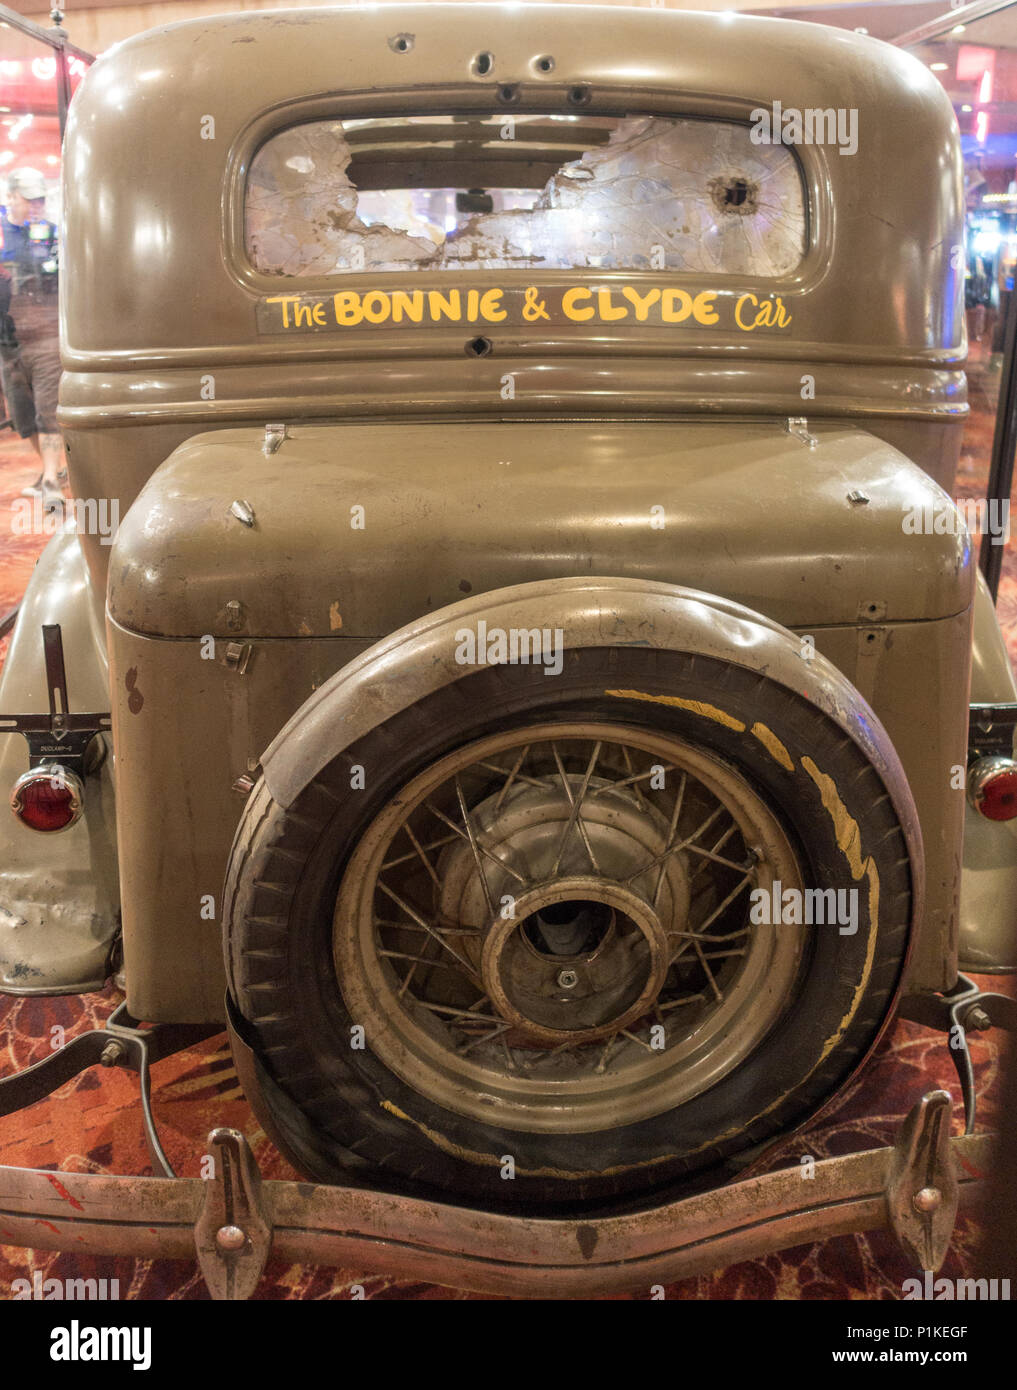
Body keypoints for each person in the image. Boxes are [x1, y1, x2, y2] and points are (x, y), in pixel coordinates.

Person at [0, 167, 63, 512]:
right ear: (11, 197)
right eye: (29, 199)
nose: (36, 205)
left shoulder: (50, 234)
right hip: (7, 342)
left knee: (47, 411)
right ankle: (49, 470)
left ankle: (52, 480)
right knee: (23, 416)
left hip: (45, 339)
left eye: (40, 199)